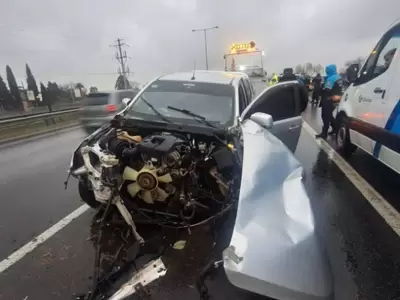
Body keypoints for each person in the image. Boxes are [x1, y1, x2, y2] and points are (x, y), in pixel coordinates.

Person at [315, 64, 343, 139]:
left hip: (328, 99)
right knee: (329, 116)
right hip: (335, 99)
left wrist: (322, 87)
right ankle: (335, 128)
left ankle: (324, 133)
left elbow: (326, 89)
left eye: (327, 70)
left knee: (325, 116)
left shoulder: (331, 79)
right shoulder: (338, 77)